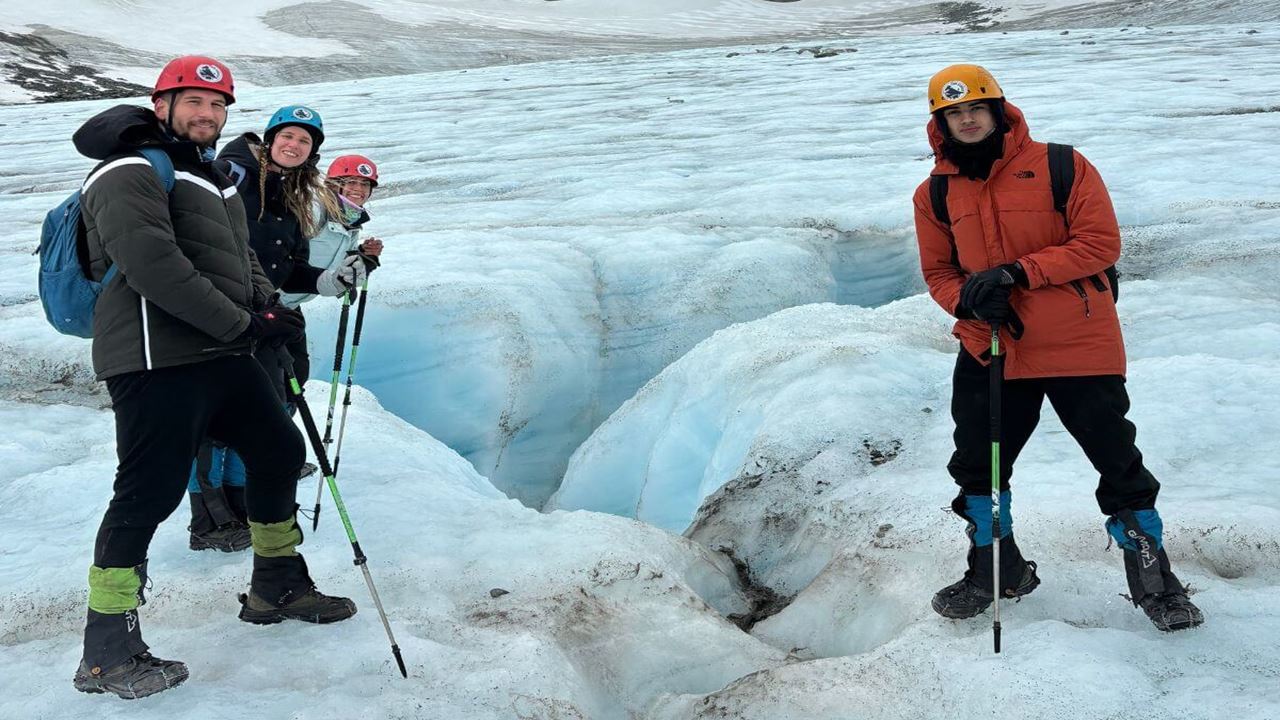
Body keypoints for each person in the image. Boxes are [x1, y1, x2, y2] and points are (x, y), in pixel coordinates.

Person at [71, 55, 356, 700]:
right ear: (161, 104)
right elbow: (152, 264)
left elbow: (240, 256)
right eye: (193, 101)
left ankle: (276, 585)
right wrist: (240, 323)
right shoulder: (127, 169)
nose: (207, 113)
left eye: (218, 104)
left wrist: (269, 308)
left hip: (220, 350)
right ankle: (106, 647)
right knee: (148, 490)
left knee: (277, 450)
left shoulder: (212, 175)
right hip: (154, 355)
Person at [912, 64, 1204, 632]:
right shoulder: (935, 193)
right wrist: (969, 301)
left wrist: (1016, 273)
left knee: (1117, 462)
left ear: (998, 110)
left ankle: (1156, 585)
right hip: (990, 345)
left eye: (975, 108)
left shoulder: (1062, 165)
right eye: (953, 113)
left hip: (1076, 341)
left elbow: (1099, 243)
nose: (966, 120)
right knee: (978, 466)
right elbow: (939, 273)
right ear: (940, 124)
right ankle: (996, 572)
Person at [183, 105, 366, 552]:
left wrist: (332, 280)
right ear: (270, 139)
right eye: (288, 136)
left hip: (262, 318)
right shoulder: (232, 174)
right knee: (211, 423)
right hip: (218, 315)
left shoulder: (291, 194)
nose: (294, 145)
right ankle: (209, 522)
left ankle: (239, 508)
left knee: (254, 416)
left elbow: (290, 267)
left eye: (305, 141)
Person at [277, 154, 384, 380]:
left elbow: (341, 268)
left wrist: (364, 258)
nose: (359, 189)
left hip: (290, 305)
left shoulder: (350, 223)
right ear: (334, 184)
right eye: (351, 182)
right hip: (267, 302)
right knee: (278, 377)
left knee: (295, 374)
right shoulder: (314, 209)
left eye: (365, 184)